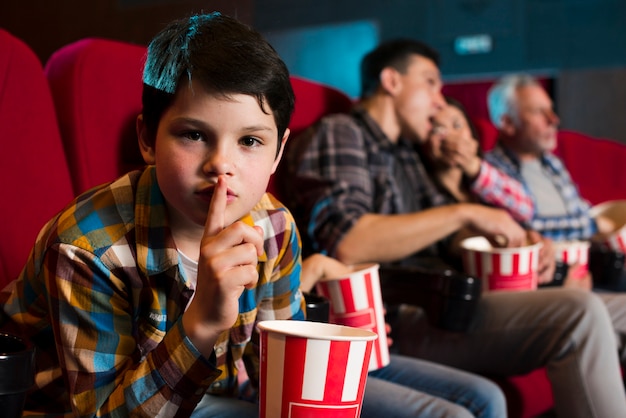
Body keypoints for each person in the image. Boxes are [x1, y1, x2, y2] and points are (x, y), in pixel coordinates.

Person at [0, 13, 510, 418]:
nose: (222, 165)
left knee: (471, 405)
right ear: (147, 140)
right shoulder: (88, 245)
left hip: (223, 387)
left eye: (249, 141)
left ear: (278, 153)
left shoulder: (275, 226)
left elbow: (271, 373)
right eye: (193, 135)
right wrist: (201, 322)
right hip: (99, 405)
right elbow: (103, 412)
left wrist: (327, 348)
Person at [283, 38, 626, 417]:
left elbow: (452, 236)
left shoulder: (409, 155)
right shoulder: (341, 132)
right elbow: (349, 241)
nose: (440, 100)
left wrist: (519, 242)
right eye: (431, 82)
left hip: (452, 298)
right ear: (391, 81)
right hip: (397, 311)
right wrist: (466, 214)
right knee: (579, 313)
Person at [484, 72, 626, 348]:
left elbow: (584, 219)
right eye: (540, 113)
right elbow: (530, 231)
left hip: (594, 269)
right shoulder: (494, 176)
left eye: (552, 110)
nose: (554, 120)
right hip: (556, 282)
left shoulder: (552, 164)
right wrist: (587, 226)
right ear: (507, 122)